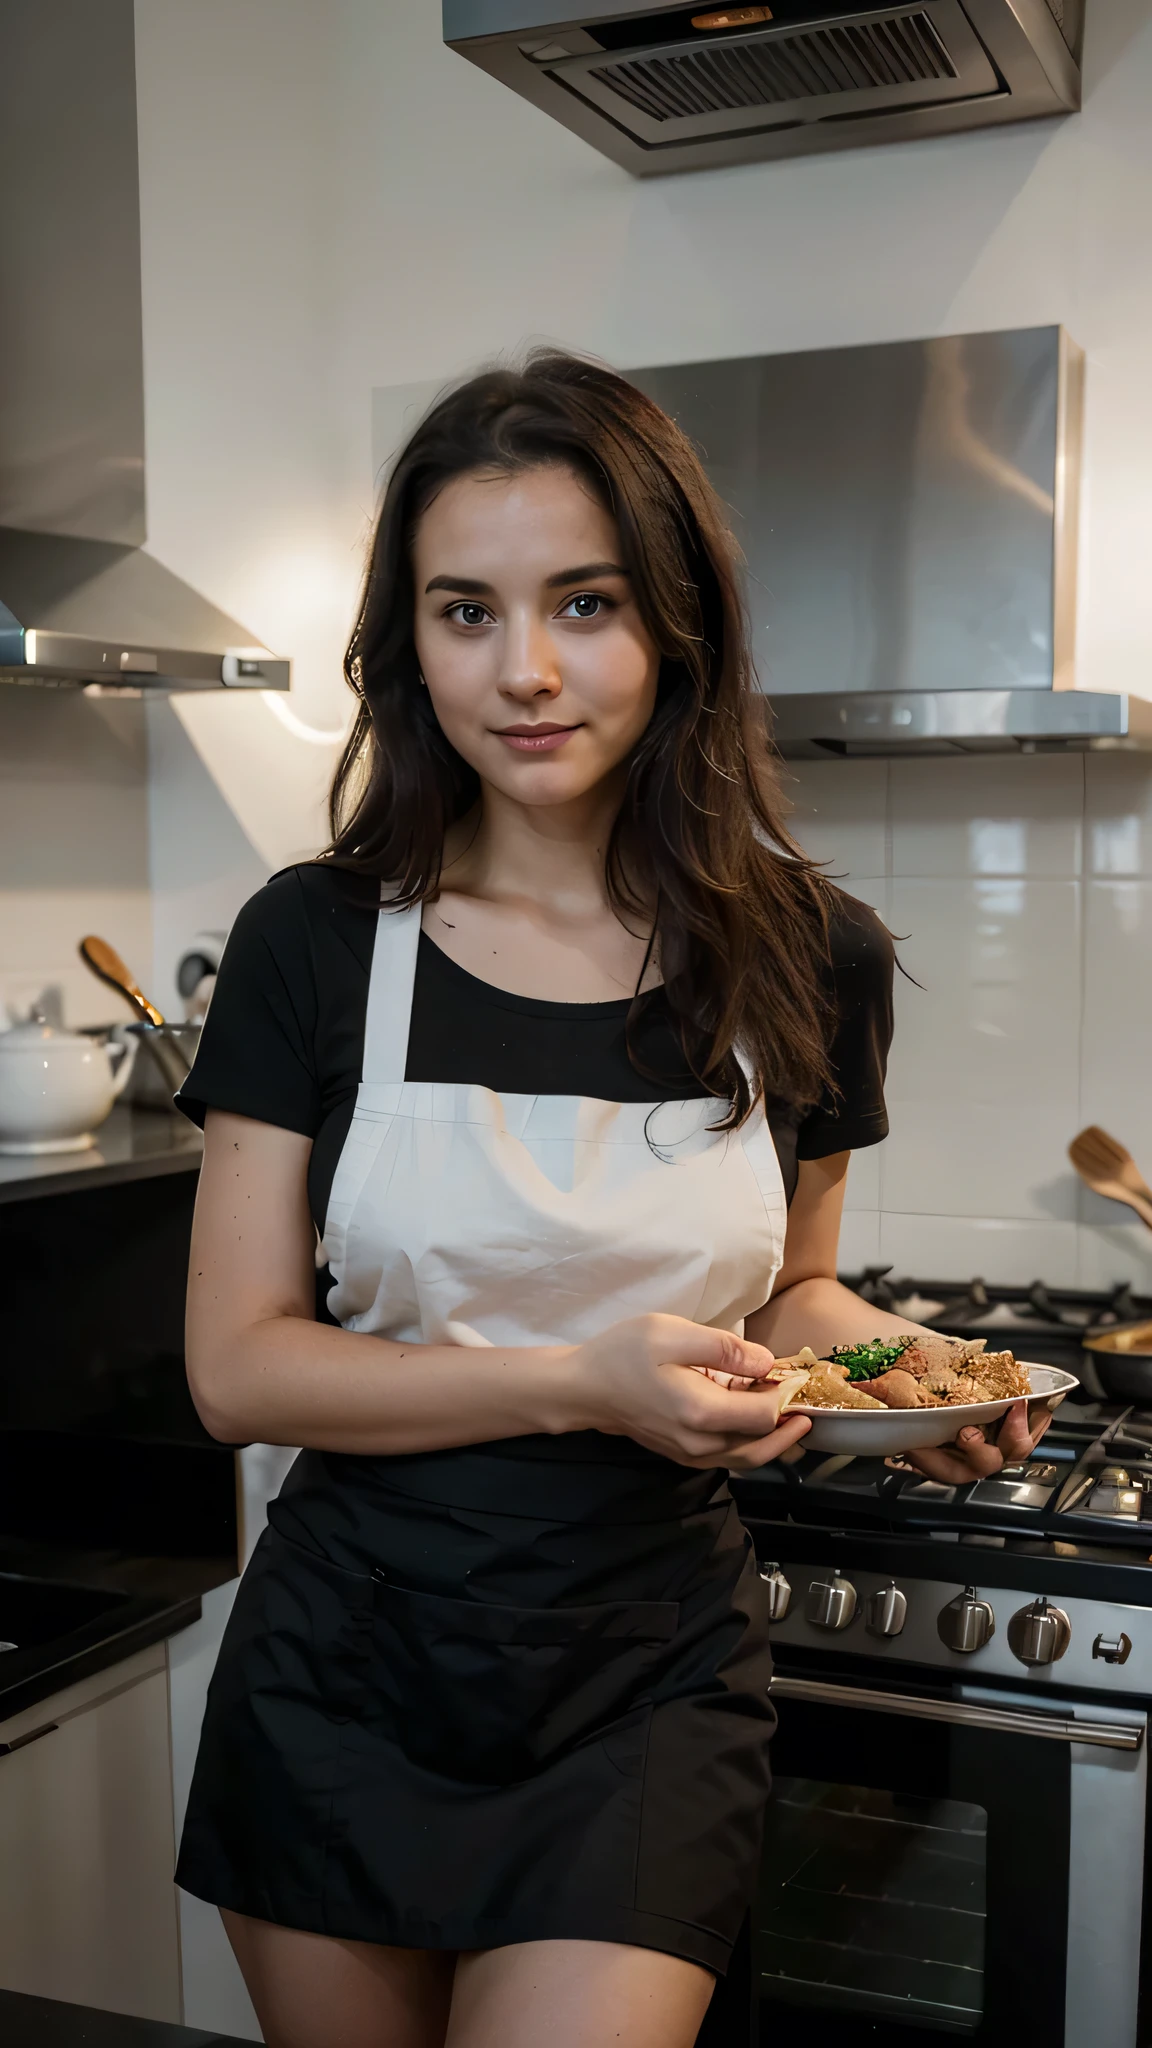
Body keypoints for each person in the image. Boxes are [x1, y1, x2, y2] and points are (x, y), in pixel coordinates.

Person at [174, 351, 1051, 2048]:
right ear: (404, 645)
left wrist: (896, 1370)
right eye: (464, 611)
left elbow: (794, 1289)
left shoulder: (811, 954)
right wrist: (581, 1376)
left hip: (644, 1673)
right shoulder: (314, 944)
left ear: (678, 625)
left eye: (584, 601)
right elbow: (239, 1369)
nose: (526, 670)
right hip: (351, 1658)